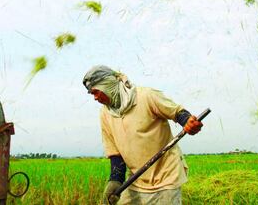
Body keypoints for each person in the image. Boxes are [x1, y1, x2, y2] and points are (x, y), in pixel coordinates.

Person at [83, 65, 203, 205]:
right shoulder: (105, 114)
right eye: (92, 94)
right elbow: (116, 154)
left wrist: (188, 122)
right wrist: (115, 179)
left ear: (108, 85)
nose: (95, 98)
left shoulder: (146, 96)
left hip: (166, 178)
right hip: (136, 181)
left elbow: (177, 112)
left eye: (96, 92)